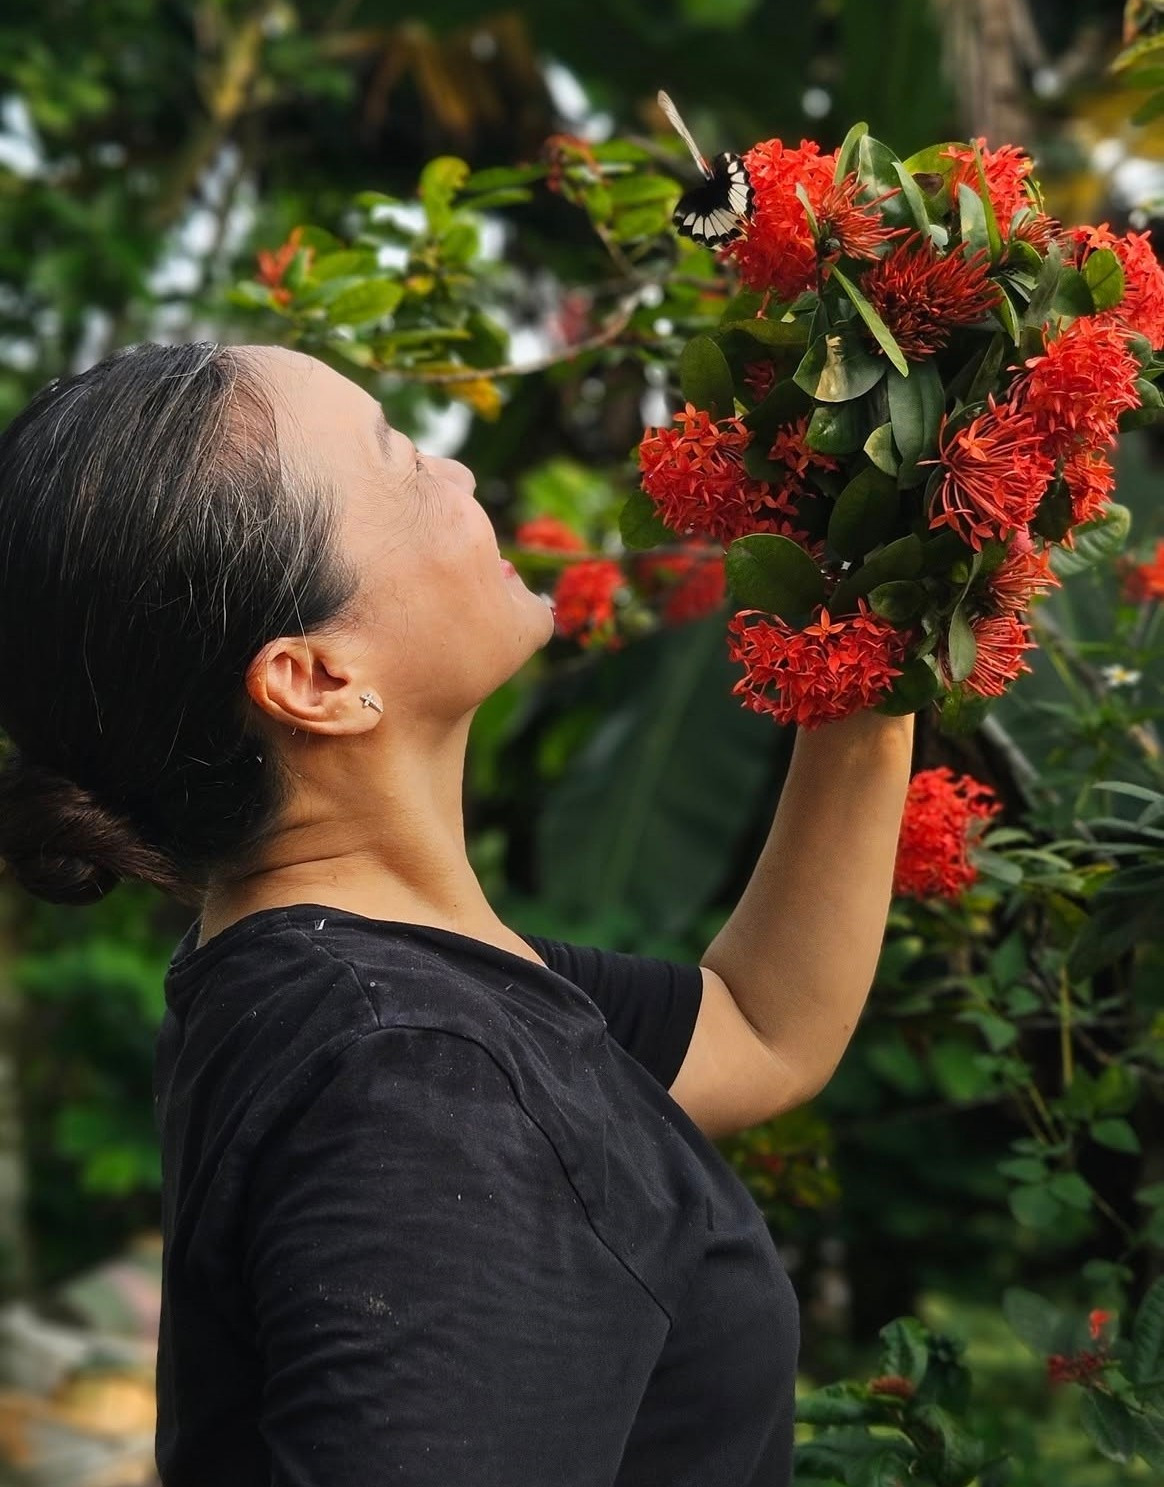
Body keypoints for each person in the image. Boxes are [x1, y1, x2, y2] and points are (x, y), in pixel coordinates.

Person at [0, 341, 915, 1486]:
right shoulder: (414, 1082)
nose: (463, 474)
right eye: (398, 460)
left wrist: (883, 633)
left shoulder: (359, 982)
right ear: (316, 677)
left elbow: (761, 1029)